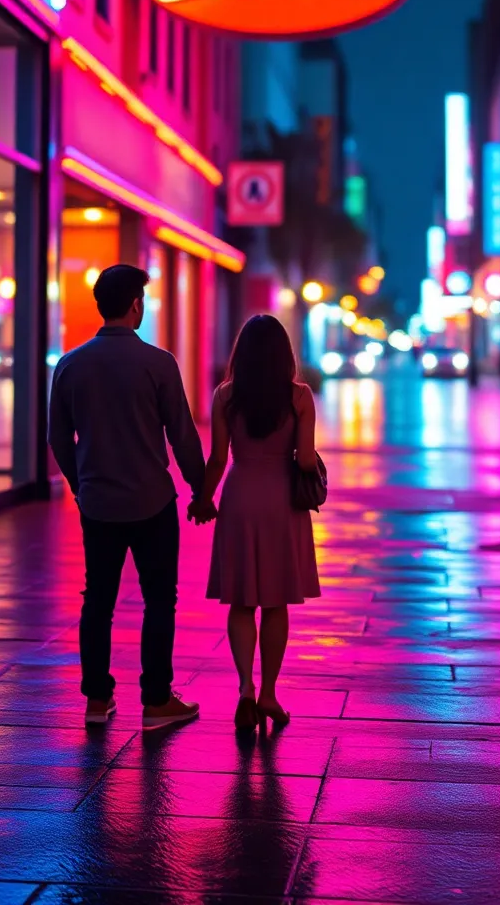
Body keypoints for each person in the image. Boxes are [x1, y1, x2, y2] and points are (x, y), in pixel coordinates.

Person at [48, 263, 211, 729]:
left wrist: (80, 485)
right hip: (152, 502)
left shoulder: (71, 364)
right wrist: (200, 490)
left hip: (98, 502)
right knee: (159, 599)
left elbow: (58, 438)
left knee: (97, 599)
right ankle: (156, 700)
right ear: (136, 305)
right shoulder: (158, 363)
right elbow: (182, 435)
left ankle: (97, 699)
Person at [196, 315, 321, 733]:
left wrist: (203, 498)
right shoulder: (299, 396)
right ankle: (268, 692)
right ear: (284, 354)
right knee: (275, 601)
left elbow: (217, 458)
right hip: (282, 502)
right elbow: (305, 459)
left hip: (240, 496)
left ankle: (245, 689)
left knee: (241, 600)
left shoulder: (225, 395)